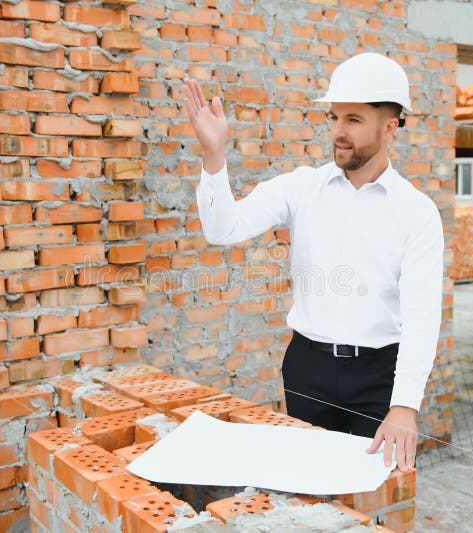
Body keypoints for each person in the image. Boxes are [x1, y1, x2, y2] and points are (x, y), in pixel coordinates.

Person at [182, 52, 444, 472]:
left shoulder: (417, 212)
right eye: (335, 117)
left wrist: (405, 406)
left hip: (380, 377)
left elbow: (422, 315)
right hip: (308, 369)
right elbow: (223, 229)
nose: (338, 132)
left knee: (377, 497)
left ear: (390, 126)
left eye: (354, 120)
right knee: (310, 491)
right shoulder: (302, 187)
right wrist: (215, 156)